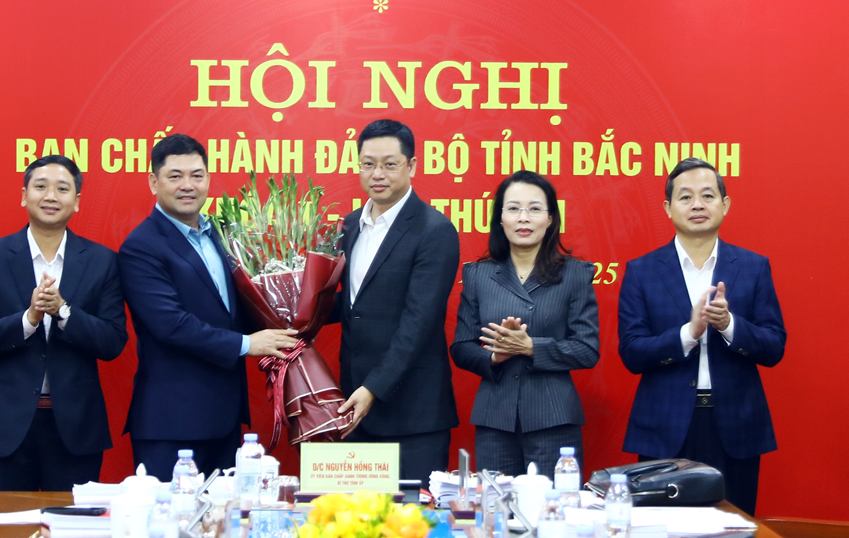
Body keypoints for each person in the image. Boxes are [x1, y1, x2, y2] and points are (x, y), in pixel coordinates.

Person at [118, 134, 298, 480]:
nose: (188, 185)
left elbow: (240, 306)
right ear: (154, 182)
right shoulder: (141, 246)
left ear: (208, 180)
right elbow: (171, 325)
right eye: (175, 176)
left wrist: (300, 313)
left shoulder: (220, 234)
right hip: (171, 423)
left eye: (197, 175)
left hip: (223, 418)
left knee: (223, 513)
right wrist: (247, 344)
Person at [618, 158, 785, 516]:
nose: (697, 205)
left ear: (725, 205)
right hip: (665, 427)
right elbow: (631, 352)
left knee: (732, 527)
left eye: (707, 196)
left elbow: (774, 346)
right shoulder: (641, 270)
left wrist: (728, 325)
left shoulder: (753, 267)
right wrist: (688, 334)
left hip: (736, 427)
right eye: (686, 197)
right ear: (668, 207)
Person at [0, 155, 128, 491]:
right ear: (24, 196)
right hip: (5, 425)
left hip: (76, 428)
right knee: (9, 520)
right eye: (41, 186)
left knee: (70, 519)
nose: (51, 196)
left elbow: (113, 341)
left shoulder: (102, 261)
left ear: (76, 201)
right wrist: (29, 319)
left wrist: (64, 313)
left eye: (62, 189)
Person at [333, 119, 460, 488]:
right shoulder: (350, 226)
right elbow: (352, 304)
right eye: (368, 164)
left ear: (412, 166)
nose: (378, 174)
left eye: (390, 164)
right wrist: (291, 314)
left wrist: (372, 389)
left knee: (412, 516)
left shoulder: (434, 230)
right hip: (353, 408)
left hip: (412, 415)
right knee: (354, 516)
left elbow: (418, 323)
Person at [450, 171, 599, 478]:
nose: (524, 218)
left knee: (554, 505)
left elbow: (587, 349)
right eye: (514, 208)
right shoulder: (478, 275)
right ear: (500, 218)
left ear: (550, 218)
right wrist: (494, 357)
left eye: (534, 209)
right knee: (495, 505)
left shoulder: (575, 273)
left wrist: (532, 347)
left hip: (553, 418)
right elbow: (461, 347)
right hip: (495, 418)